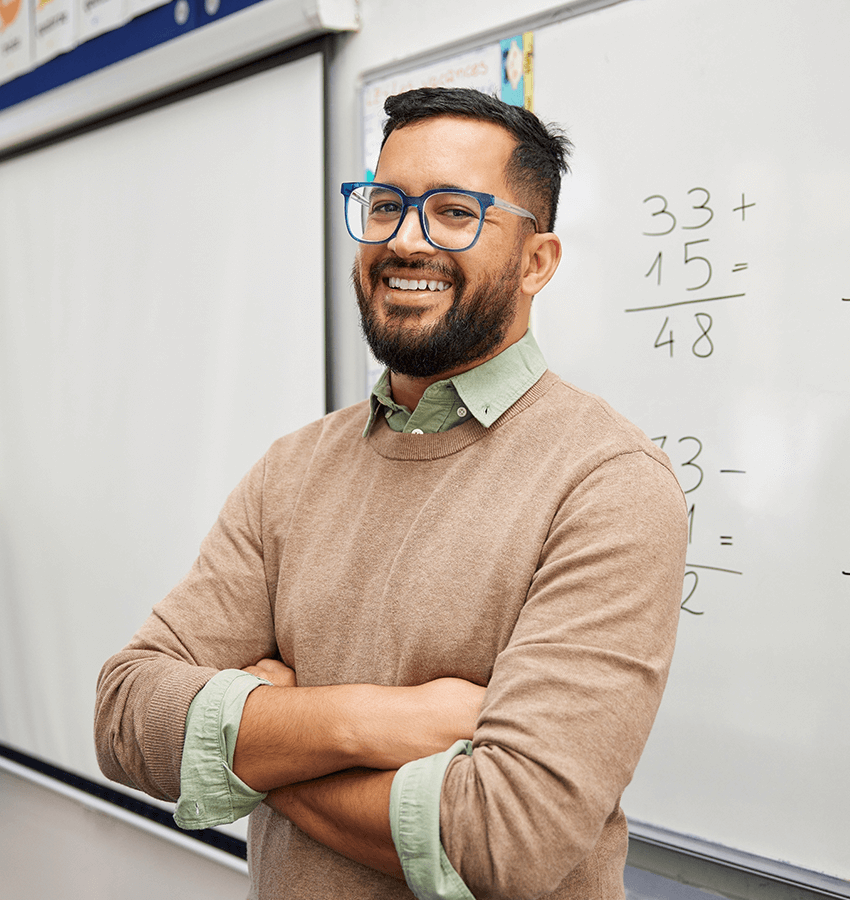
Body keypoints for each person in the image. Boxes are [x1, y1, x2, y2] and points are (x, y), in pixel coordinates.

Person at [95, 87, 688, 900]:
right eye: (384, 205)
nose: (406, 240)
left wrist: (259, 742)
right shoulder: (292, 470)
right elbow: (128, 715)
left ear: (536, 262)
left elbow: (502, 837)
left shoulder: (607, 485)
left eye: (455, 213)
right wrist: (372, 722)